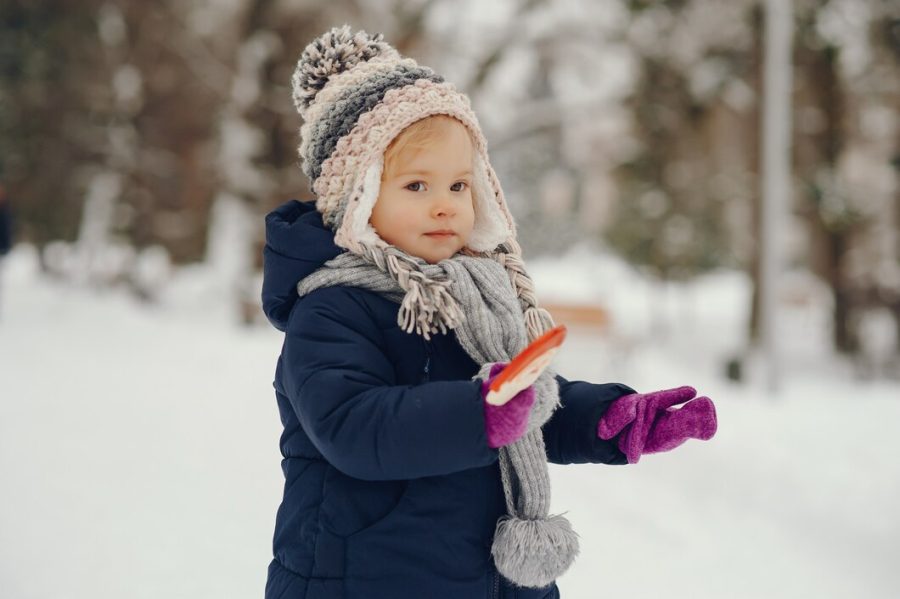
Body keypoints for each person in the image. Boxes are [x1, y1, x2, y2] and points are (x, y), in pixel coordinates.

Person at [261, 26, 717, 599]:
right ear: (357, 196)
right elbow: (354, 427)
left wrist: (610, 419)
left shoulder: (476, 295)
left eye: (458, 184)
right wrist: (483, 412)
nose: (444, 204)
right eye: (417, 183)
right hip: (368, 578)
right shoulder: (331, 311)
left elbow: (524, 406)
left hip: (491, 580)